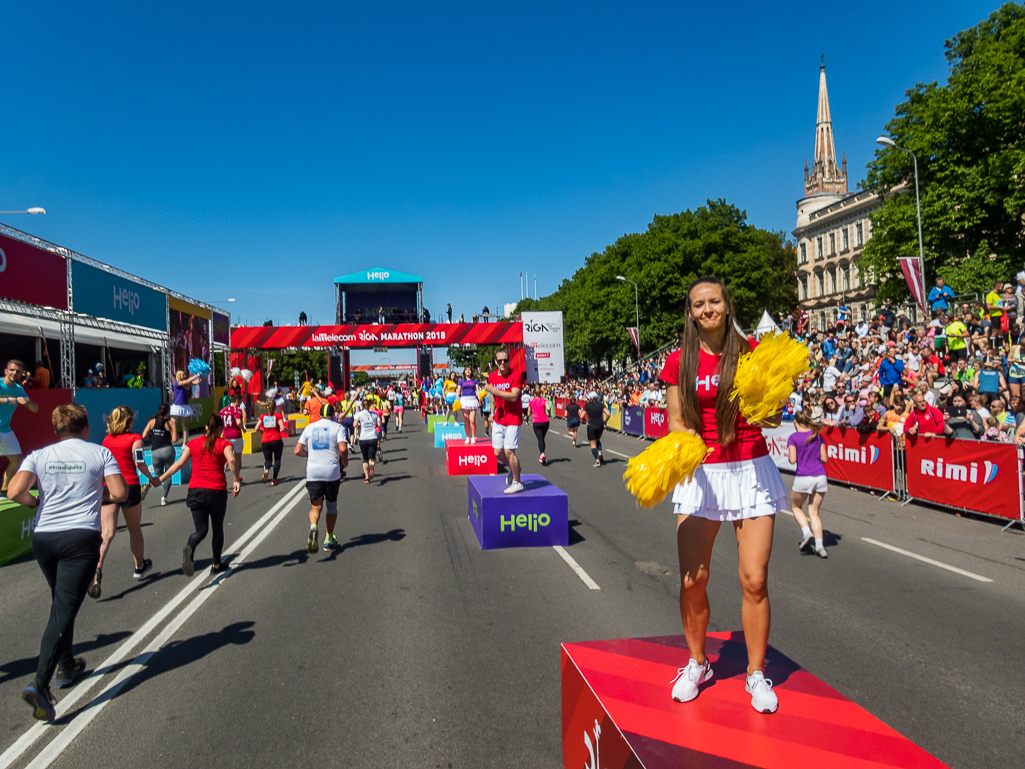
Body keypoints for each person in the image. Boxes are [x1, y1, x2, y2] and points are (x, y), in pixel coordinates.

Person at [659, 277, 786, 715]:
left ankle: (754, 672)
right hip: (702, 473)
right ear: (691, 312)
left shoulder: (753, 353)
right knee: (693, 580)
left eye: (715, 301)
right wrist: (686, 435)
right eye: (699, 304)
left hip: (751, 468)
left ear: (727, 306)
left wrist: (768, 406)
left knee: (754, 579)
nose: (708, 308)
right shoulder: (678, 362)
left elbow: (771, 419)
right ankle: (698, 663)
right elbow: (675, 418)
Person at [10, 404, 127, 721]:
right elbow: (119, 492)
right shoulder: (99, 453)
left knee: (62, 601)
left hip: (45, 537)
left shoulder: (40, 454)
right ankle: (40, 683)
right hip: (80, 537)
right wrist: (92, 496)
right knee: (64, 606)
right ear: (86, 428)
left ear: (57, 429)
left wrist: (35, 501)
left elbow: (14, 490)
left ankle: (66, 665)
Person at [158, 415, 241, 577]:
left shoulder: (193, 443)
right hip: (216, 491)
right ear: (219, 429)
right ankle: (216, 564)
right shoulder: (224, 443)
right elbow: (231, 460)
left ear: (205, 428)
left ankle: (190, 546)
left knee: (201, 530)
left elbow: (180, 463)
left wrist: (160, 479)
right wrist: (236, 479)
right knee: (217, 529)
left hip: (195, 490)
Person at [92, 406, 157, 596]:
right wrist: (151, 477)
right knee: (134, 529)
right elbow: (139, 461)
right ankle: (139, 566)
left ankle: (97, 567)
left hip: (109, 487)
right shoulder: (135, 438)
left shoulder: (106, 440)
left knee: (107, 533)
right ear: (128, 421)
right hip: (129, 486)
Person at [294, 404, 348, 552]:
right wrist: (344, 462)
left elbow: (297, 450)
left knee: (315, 506)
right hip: (331, 472)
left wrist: (310, 454)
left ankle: (313, 527)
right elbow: (342, 448)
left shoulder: (310, 427)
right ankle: (329, 538)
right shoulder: (338, 427)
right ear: (333, 414)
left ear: (319, 415)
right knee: (331, 505)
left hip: (313, 472)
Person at [484, 345, 527, 494]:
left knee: (509, 451)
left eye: (505, 360)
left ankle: (517, 482)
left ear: (509, 361)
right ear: (496, 362)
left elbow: (514, 396)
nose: (503, 363)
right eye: (500, 360)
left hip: (513, 418)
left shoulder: (516, 375)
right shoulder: (492, 376)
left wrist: (494, 390)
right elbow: (492, 396)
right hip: (498, 418)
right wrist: (491, 411)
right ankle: (514, 468)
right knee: (497, 452)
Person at [787, 412, 829, 558]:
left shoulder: (793, 438)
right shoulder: (817, 435)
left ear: (795, 422)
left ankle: (806, 532)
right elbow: (824, 459)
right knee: (814, 513)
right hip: (820, 475)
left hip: (803, 476)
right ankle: (820, 546)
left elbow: (792, 460)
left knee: (795, 506)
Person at [1, 359, 39, 497]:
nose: (14, 373)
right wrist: (5, 400)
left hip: (5, 430)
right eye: (11, 370)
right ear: (6, 371)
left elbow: (35, 409)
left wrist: (28, 402)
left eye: (17, 371)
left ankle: (4, 491)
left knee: (17, 460)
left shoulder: (18, 390)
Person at [142, 404, 178, 506]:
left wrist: (152, 437)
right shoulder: (171, 422)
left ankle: (148, 486)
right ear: (168, 412)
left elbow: (144, 435)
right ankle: (164, 497)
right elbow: (174, 439)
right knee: (168, 474)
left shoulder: (152, 421)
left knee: (158, 475)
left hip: (155, 451)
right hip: (167, 449)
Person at [219, 392, 248, 481]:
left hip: (226, 437)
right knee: (238, 457)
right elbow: (239, 422)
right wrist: (243, 429)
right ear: (236, 401)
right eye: (239, 402)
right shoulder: (237, 410)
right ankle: (237, 475)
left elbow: (218, 422)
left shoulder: (223, 410)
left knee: (227, 458)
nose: (240, 404)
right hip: (236, 436)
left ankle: (222, 473)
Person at [256, 403, 286, 486]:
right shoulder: (278, 416)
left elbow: (256, 428)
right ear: (275, 407)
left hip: (265, 440)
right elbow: (282, 428)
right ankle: (274, 479)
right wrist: (289, 432)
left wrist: (263, 432)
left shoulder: (263, 416)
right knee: (277, 459)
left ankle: (266, 470)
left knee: (268, 460)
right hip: (276, 439)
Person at [170, 370, 203, 445]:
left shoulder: (186, 385)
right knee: (173, 423)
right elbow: (188, 380)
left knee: (185, 425)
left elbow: (197, 382)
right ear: (179, 376)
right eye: (183, 375)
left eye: (184, 375)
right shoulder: (176, 383)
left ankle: (184, 443)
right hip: (177, 406)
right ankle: (172, 439)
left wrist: (204, 374)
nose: (184, 376)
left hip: (185, 406)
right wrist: (197, 374)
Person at [354, 397, 381, 483]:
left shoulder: (359, 414)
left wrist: (359, 425)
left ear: (362, 405)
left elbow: (354, 424)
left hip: (363, 438)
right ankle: (372, 467)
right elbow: (379, 425)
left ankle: (366, 477)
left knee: (365, 458)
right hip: (372, 437)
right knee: (372, 457)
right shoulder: (374, 414)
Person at [584, 391, 610, 467]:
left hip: (591, 425)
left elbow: (582, 415)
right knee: (598, 439)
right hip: (600, 425)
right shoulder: (601, 405)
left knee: (592, 444)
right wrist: (605, 421)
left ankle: (597, 461)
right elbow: (608, 413)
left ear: (590, 398)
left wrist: (584, 420)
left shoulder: (587, 405)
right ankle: (600, 452)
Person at [527, 386, 551, 464]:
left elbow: (528, 413)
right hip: (545, 421)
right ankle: (542, 454)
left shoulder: (532, 402)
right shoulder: (544, 400)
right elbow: (548, 408)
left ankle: (542, 453)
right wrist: (549, 413)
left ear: (534, 393)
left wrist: (531, 412)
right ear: (541, 393)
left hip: (536, 421)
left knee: (540, 439)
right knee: (542, 438)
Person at [457, 366, 480, 444]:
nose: (468, 372)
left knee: (472, 420)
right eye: (466, 370)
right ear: (464, 372)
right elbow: (458, 390)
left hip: (472, 400)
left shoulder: (475, 380)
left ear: (471, 372)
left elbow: (477, 390)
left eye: (469, 370)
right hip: (464, 400)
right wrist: (456, 400)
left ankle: (473, 436)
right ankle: (467, 437)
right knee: (466, 420)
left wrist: (480, 396)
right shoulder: (461, 381)